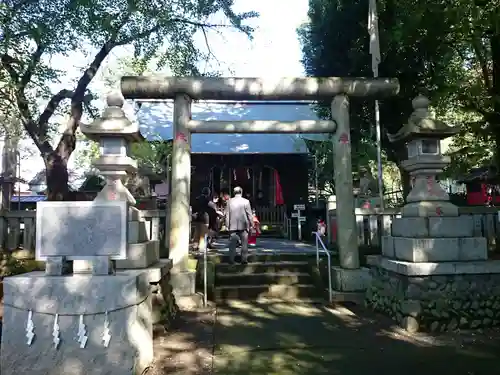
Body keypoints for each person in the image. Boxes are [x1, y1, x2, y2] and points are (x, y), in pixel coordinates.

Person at [225, 186, 253, 264]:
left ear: (234, 193)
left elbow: (227, 214)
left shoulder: (229, 201)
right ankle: (244, 259)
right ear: (241, 192)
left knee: (232, 244)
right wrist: (252, 224)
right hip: (243, 225)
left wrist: (227, 225)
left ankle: (231, 260)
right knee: (244, 243)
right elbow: (249, 214)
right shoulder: (246, 201)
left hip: (232, 225)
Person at [192, 187, 211, 252]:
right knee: (203, 233)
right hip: (204, 218)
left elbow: (193, 207)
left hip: (196, 217)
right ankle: (202, 247)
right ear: (208, 193)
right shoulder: (207, 199)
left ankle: (195, 246)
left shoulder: (196, 199)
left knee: (196, 232)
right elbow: (212, 206)